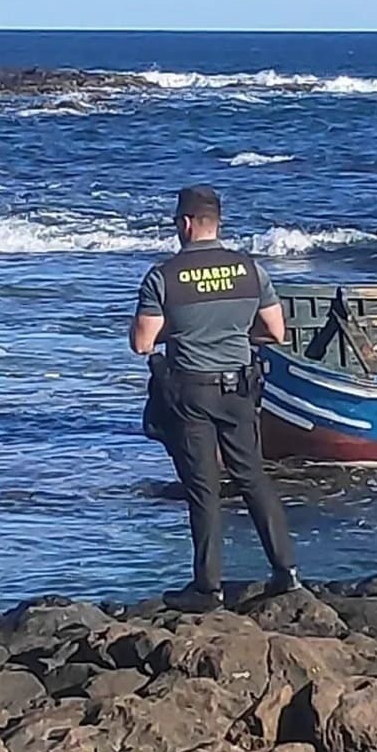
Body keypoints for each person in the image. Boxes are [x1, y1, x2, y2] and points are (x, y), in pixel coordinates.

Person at [131, 185, 299, 610]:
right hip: (240, 387)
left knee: (203, 488)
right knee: (253, 478)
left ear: (185, 224)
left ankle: (208, 588)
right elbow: (275, 332)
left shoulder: (163, 276)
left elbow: (142, 343)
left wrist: (183, 332)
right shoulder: (250, 269)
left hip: (191, 389)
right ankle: (286, 573)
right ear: (216, 223)